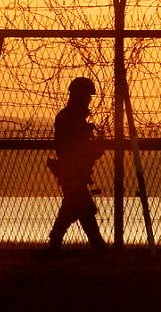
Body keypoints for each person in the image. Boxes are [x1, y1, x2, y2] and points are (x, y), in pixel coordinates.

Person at [47, 77, 106, 252]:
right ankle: (97, 247)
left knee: (79, 208)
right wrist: (95, 148)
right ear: (78, 96)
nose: (89, 100)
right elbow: (73, 148)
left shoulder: (72, 118)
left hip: (74, 170)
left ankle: (56, 243)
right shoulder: (70, 119)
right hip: (73, 171)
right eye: (87, 96)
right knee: (82, 208)